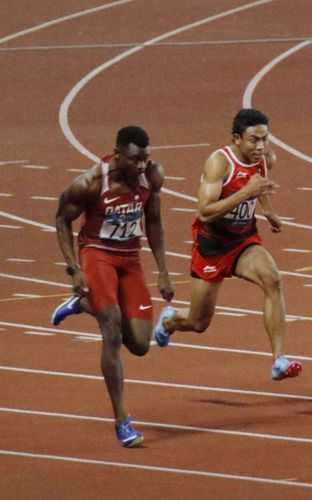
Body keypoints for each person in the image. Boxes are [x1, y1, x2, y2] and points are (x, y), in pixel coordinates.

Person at [152, 108, 302, 381]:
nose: (261, 146)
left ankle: (279, 360)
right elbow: (205, 211)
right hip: (211, 246)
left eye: (265, 139)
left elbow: (260, 184)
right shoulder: (219, 163)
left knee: (273, 279)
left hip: (243, 240)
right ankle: (170, 321)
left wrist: (266, 210)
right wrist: (245, 193)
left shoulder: (265, 158)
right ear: (236, 139)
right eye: (254, 140)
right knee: (198, 323)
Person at [52, 126, 174, 447]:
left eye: (146, 158)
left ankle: (81, 304)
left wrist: (163, 271)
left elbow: (155, 222)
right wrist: (74, 269)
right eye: (135, 160)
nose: (141, 166)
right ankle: (122, 420)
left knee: (139, 344)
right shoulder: (90, 183)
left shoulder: (152, 176)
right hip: (98, 254)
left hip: (130, 258)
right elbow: (61, 219)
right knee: (111, 326)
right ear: (118, 155)